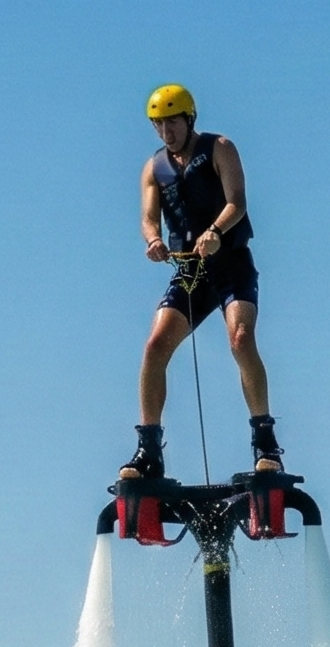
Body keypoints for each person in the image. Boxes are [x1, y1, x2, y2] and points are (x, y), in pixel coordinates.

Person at [121, 85, 284, 485]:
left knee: (241, 338)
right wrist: (153, 241)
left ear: (189, 119)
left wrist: (215, 231)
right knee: (155, 346)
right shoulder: (153, 167)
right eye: (158, 124)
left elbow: (238, 201)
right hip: (191, 271)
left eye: (171, 122)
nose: (165, 131)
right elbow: (148, 218)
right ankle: (148, 452)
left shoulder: (220, 148)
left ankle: (266, 444)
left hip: (231, 264)